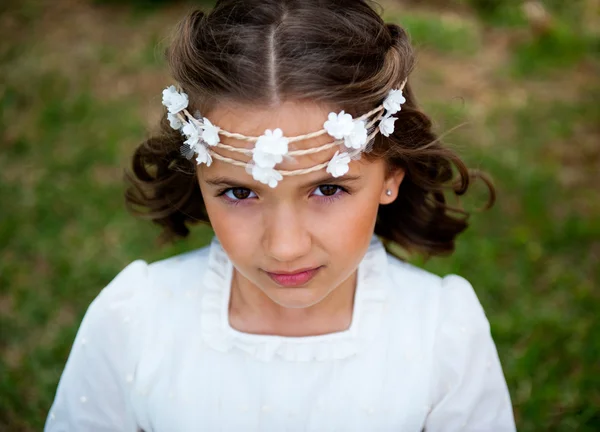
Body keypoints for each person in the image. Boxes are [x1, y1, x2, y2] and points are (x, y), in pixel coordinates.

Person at [45, 0, 516, 430]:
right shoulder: (135, 319)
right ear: (197, 176)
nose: (285, 247)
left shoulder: (442, 333)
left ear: (391, 176)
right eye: (238, 193)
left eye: (327, 188)